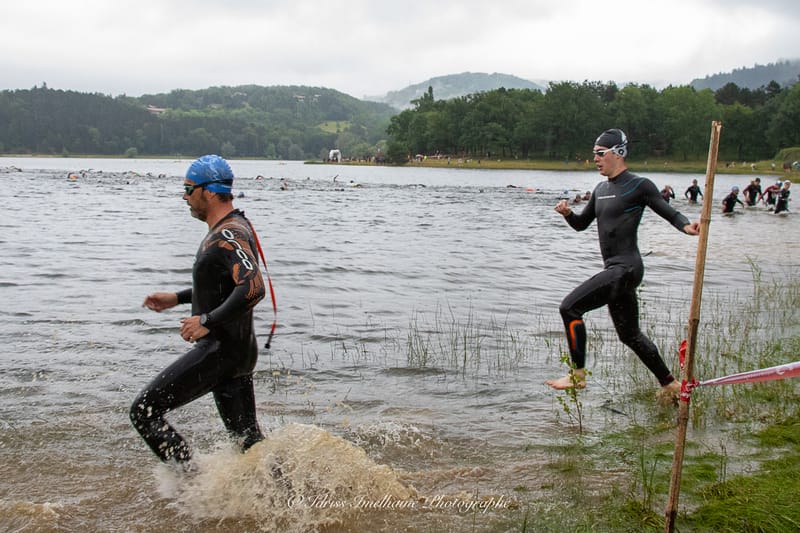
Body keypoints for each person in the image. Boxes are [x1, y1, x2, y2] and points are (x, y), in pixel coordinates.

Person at [131, 154, 267, 465]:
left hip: (220, 351)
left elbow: (252, 287)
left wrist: (207, 320)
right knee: (249, 443)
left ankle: (191, 485)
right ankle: (286, 499)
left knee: (144, 411)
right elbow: (225, 287)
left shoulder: (228, 234)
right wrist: (177, 298)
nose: (184, 196)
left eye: (188, 188)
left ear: (207, 191)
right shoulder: (234, 227)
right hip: (237, 351)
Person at [547, 128, 699, 401]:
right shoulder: (601, 189)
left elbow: (667, 211)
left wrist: (686, 226)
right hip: (616, 272)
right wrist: (568, 214)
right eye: (593, 153)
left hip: (626, 268)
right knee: (630, 335)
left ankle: (577, 375)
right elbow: (582, 225)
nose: (595, 158)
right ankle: (670, 385)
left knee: (570, 308)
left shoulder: (639, 185)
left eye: (600, 153)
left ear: (618, 153)